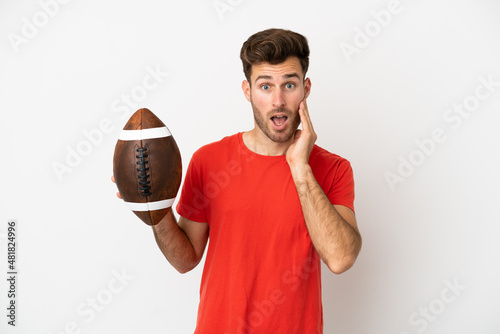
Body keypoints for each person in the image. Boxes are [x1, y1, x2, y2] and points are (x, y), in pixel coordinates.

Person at [115, 28, 361, 334]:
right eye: (265, 86)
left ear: (306, 88)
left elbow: (340, 258)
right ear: (247, 91)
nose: (278, 100)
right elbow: (185, 259)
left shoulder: (333, 168)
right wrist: (154, 205)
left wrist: (300, 167)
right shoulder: (209, 161)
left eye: (289, 84)